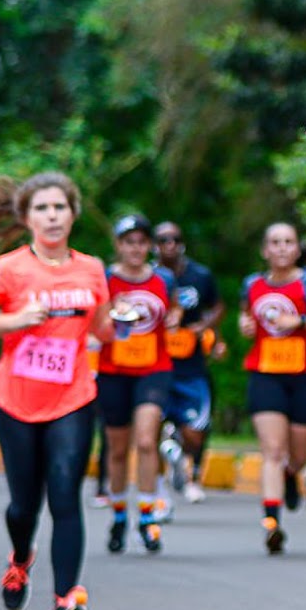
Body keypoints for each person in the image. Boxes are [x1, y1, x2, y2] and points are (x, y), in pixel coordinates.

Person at [0, 171, 116, 610]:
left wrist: (123, 321)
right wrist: (16, 320)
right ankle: (20, 557)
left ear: (73, 214)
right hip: (17, 400)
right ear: (27, 218)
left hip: (73, 396)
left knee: (65, 495)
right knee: (23, 506)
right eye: (42, 208)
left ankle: (65, 601)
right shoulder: (8, 269)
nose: (52, 216)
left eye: (59, 207)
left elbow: (103, 328)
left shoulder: (91, 269)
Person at [238, 222, 306, 555]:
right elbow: (248, 318)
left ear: (297, 249)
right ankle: (272, 523)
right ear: (265, 250)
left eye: (288, 242)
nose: (282, 248)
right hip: (266, 374)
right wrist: (245, 325)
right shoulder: (252, 285)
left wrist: (300, 321)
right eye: (275, 242)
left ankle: (290, 475)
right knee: (272, 450)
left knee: (298, 456)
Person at [96, 214, 180, 555]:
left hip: (153, 368)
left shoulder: (164, 279)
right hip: (114, 368)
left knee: (146, 440)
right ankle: (119, 514)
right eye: (129, 242)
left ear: (150, 246)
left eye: (142, 242)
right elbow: (95, 325)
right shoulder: (105, 280)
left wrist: (174, 319)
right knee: (117, 448)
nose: (135, 249)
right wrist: (111, 314)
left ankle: (147, 516)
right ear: (119, 245)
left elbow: (174, 311)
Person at [153, 220, 225, 504]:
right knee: (150, 427)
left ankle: (187, 466)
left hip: (192, 363)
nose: (170, 245)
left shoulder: (200, 275)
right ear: (154, 245)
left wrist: (207, 330)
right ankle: (158, 488)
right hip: (156, 364)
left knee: (195, 431)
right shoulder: (148, 277)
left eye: (175, 239)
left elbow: (216, 307)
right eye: (163, 240)